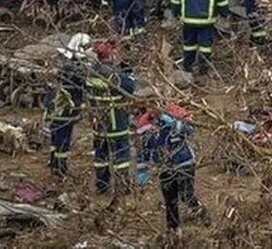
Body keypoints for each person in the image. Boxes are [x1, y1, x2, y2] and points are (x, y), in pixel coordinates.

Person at [136, 103, 206, 234]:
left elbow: (190, 129)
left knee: (186, 194)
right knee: (170, 199)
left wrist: (173, 123)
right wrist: (142, 170)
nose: (152, 109)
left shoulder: (174, 115)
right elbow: (144, 149)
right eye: (149, 106)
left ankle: (200, 211)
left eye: (154, 104)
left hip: (183, 161)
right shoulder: (145, 125)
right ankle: (173, 229)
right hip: (164, 166)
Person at [85, 40, 138, 192]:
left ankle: (102, 185)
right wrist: (126, 70)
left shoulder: (91, 73)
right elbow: (130, 86)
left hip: (99, 122)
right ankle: (122, 185)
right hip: (116, 122)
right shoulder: (115, 76)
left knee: (101, 155)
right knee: (121, 155)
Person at [44, 33, 90, 176]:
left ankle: (53, 161)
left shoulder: (61, 61)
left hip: (54, 105)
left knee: (55, 133)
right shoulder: (74, 69)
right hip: (65, 109)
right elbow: (82, 85)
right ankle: (60, 168)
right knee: (63, 137)